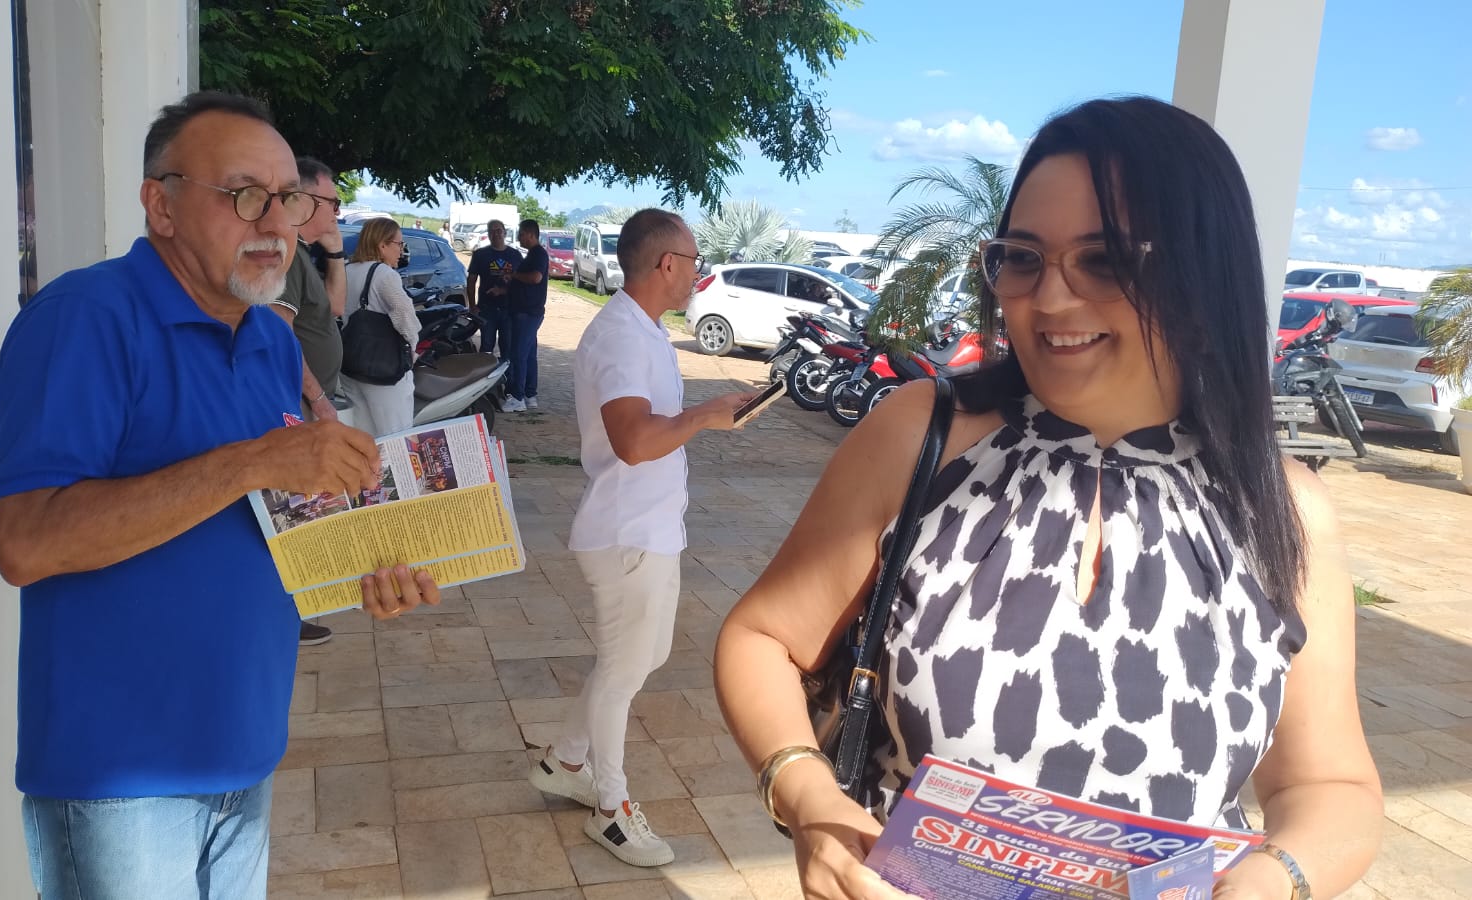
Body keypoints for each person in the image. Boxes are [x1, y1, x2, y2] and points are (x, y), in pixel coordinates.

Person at [713, 96, 1382, 900]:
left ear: (1204, 275)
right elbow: (762, 638)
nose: (1051, 299)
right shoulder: (924, 436)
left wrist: (1272, 881)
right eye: (1023, 258)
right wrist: (807, 797)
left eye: (1105, 261)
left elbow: (1330, 787)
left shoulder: (1282, 508)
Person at [0, 90, 443, 900]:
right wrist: (251, 462)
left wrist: (363, 567)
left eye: (287, 198)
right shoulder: (84, 318)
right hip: (121, 774)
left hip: (245, 746)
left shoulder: (269, 336)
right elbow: (26, 543)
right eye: (242, 195)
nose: (273, 222)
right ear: (160, 205)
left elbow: (263, 517)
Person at [526, 209, 754, 867]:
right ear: (667, 264)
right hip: (626, 532)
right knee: (625, 671)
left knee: (642, 658)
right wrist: (704, 415)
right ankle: (611, 809)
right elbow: (631, 440)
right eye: (694, 260)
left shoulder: (646, 329)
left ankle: (566, 760)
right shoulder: (622, 336)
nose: (698, 272)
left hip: (649, 528)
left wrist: (707, 414)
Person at [268, 155, 348, 647]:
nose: (338, 212)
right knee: (294, 510)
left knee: (305, 507)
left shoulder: (303, 254)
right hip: (295, 404)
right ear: (306, 197)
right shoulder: (286, 256)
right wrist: (317, 399)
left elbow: (336, 307)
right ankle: (286, 615)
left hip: (307, 400)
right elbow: (279, 336)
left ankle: (293, 609)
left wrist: (335, 253)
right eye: (333, 202)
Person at [341, 217, 423, 436]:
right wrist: (413, 347)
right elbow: (404, 315)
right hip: (383, 371)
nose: (401, 251)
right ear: (382, 245)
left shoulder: (346, 270)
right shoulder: (384, 275)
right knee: (396, 436)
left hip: (351, 366)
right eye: (399, 244)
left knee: (363, 435)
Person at [504, 218, 549, 412]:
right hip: (527, 311)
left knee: (519, 354)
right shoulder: (532, 254)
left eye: (522, 234)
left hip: (528, 313)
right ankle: (530, 395)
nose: (519, 238)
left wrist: (514, 275)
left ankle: (517, 397)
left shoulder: (538, 254)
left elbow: (536, 278)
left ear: (531, 234)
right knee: (529, 354)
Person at [466, 219, 522, 363]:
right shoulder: (480, 254)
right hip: (486, 309)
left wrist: (503, 291)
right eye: (491, 231)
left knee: (507, 349)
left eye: (498, 231)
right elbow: (471, 281)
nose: (495, 234)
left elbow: (521, 283)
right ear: (488, 234)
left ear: (505, 233)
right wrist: (472, 306)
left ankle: (507, 376)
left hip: (509, 309)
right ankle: (483, 376)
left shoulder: (515, 255)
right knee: (486, 348)